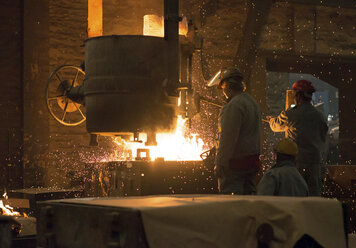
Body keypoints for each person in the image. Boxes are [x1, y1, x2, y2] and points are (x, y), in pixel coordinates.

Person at [267, 80, 328, 196]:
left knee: (295, 196)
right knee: (313, 197)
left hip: (296, 162)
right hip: (315, 163)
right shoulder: (320, 116)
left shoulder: (291, 114)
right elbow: (323, 137)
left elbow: (276, 126)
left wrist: (271, 120)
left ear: (298, 95)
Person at [208, 67, 262, 195]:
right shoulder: (251, 102)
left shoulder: (233, 106)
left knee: (231, 203)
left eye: (222, 88)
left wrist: (219, 163)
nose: (223, 92)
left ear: (226, 86)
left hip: (235, 165)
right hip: (251, 162)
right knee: (249, 199)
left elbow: (227, 138)